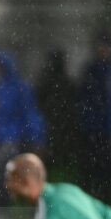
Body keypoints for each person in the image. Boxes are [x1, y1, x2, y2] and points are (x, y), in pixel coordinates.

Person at [0, 50, 45, 208]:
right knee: (7, 177)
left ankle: (9, 210)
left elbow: (29, 114)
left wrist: (36, 138)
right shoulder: (1, 88)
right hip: (8, 139)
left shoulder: (17, 88)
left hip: (17, 140)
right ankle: (5, 210)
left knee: (10, 177)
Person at [77, 31, 111, 205]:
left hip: (106, 131)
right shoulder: (92, 71)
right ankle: (88, 205)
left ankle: (105, 204)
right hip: (92, 130)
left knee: (106, 174)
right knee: (89, 172)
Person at [33, 49, 80, 177]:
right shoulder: (66, 82)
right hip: (61, 129)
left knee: (48, 168)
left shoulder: (45, 81)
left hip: (51, 128)